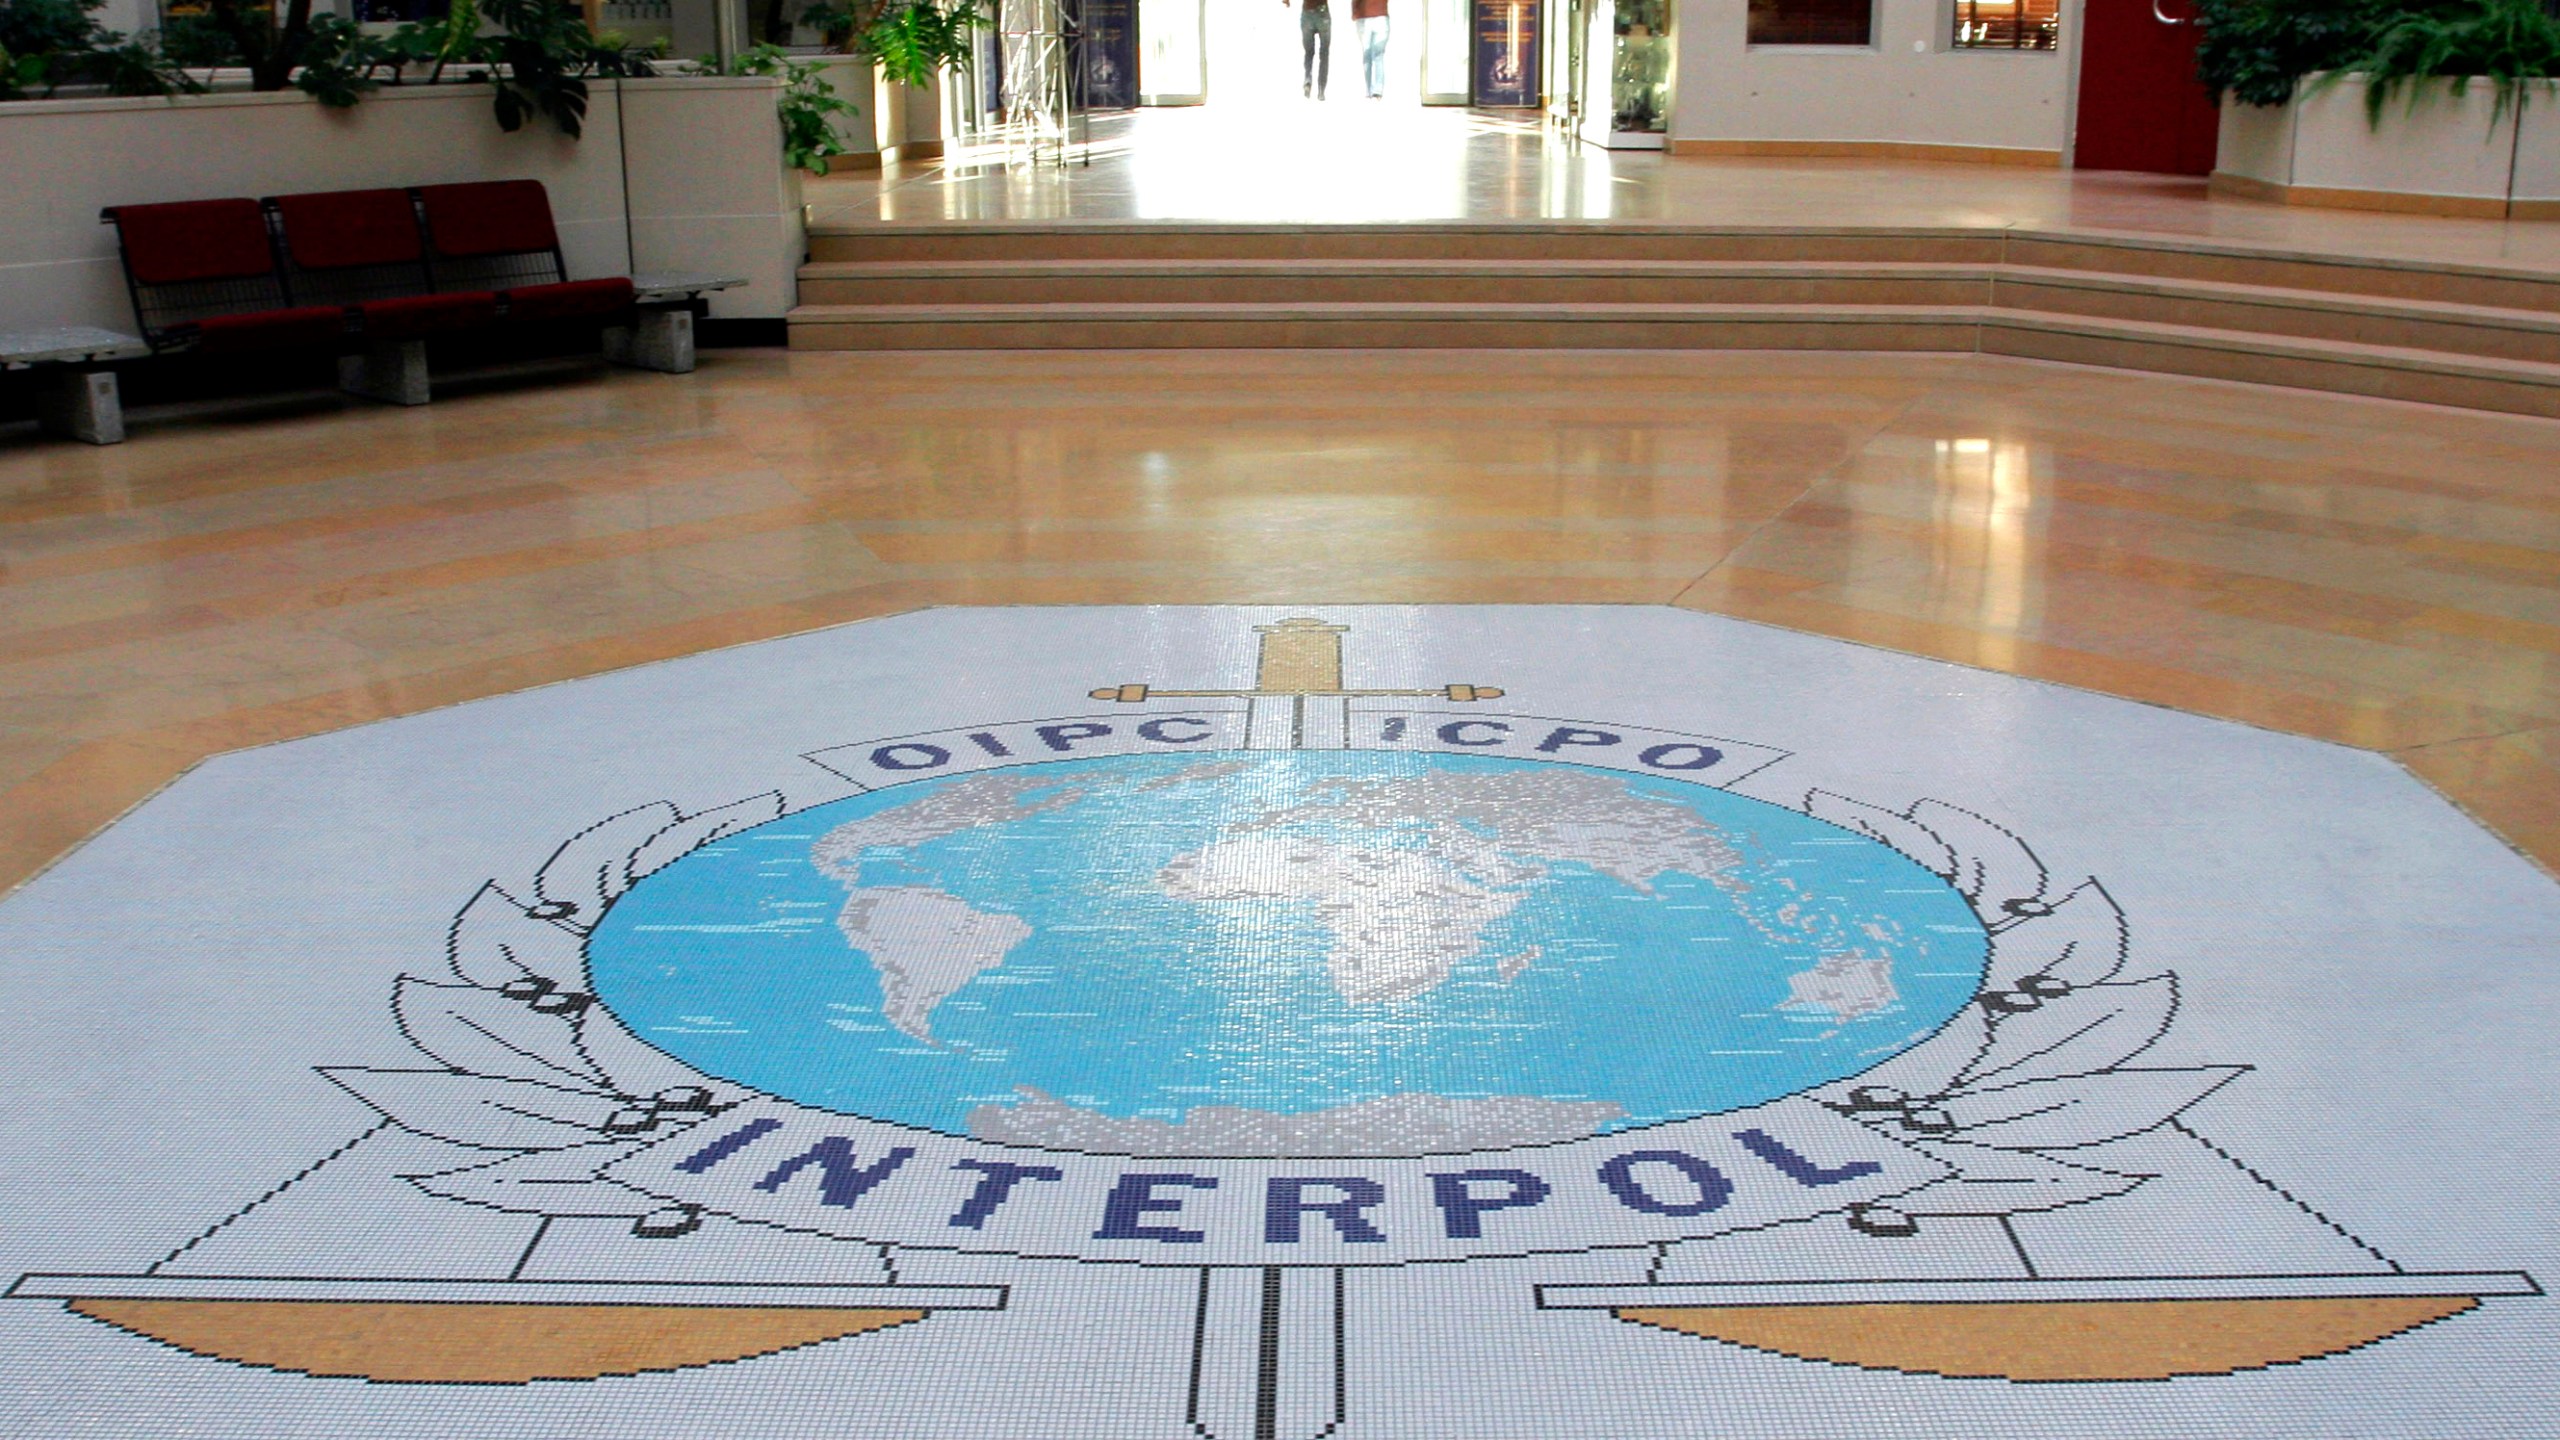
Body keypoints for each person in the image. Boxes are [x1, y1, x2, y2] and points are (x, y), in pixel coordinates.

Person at [1286, 0, 1331, 99]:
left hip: (1307, 13)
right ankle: (1321, 90)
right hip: (1322, 13)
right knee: (1324, 54)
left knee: (1309, 52)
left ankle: (1307, 80)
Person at [1352, 0, 1389, 99]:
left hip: (1365, 17)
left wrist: (1354, 12)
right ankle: (1376, 90)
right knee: (1377, 56)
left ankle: (1370, 90)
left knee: (1368, 54)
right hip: (1378, 15)